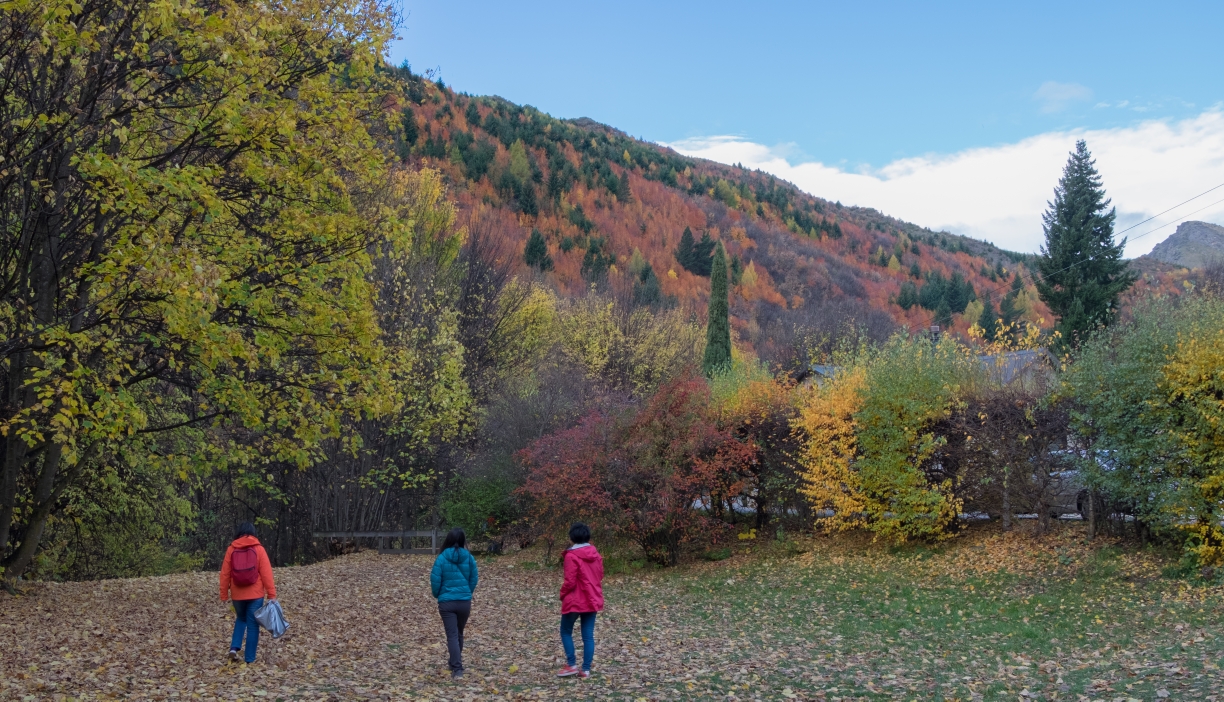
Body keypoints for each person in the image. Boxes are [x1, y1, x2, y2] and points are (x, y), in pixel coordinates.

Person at [219, 522, 276, 664]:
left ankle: (234, 647)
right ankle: (249, 659)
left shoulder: (231, 549)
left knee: (241, 618)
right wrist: (271, 594)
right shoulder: (259, 549)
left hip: (237, 594)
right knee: (252, 625)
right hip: (255, 594)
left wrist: (224, 594)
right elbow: (266, 573)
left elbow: (225, 574)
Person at [556, 522, 604, 678]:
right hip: (592, 598)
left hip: (575, 600)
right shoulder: (596, 555)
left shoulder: (571, 556)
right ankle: (586, 669)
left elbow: (569, 581)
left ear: (572, 537)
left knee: (565, 631)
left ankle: (571, 665)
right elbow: (599, 575)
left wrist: (562, 594)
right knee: (588, 636)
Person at [430, 527, 479, 678]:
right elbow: (474, 578)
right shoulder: (469, 557)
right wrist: (467, 593)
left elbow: (435, 580)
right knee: (459, 633)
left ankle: (457, 668)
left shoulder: (442, 558)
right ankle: (454, 663)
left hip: (447, 602)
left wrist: (438, 595)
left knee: (452, 635)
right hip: (464, 602)